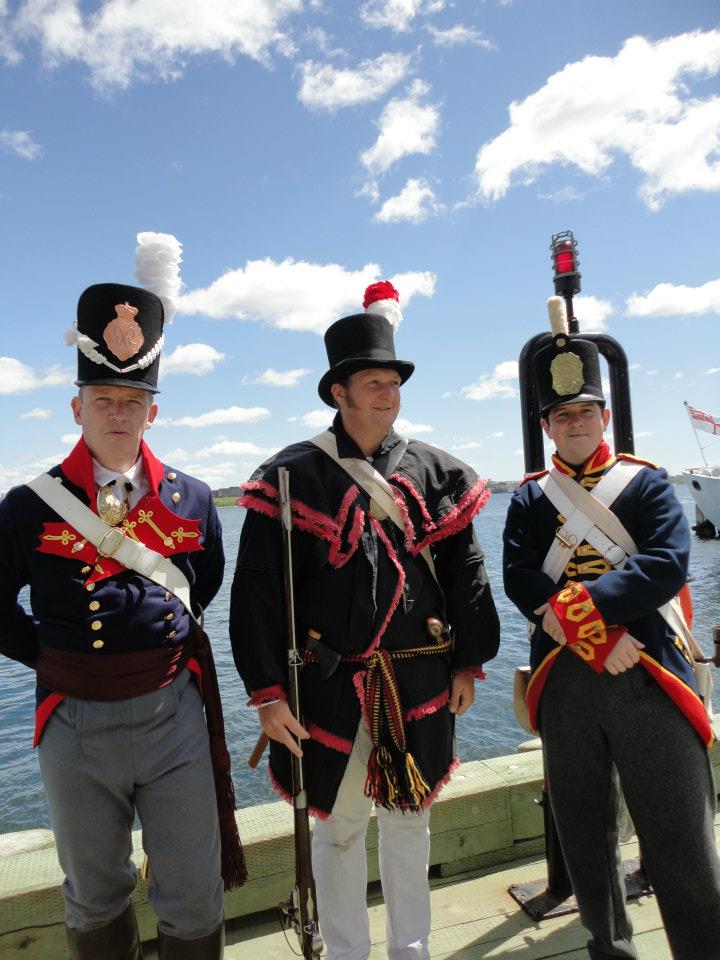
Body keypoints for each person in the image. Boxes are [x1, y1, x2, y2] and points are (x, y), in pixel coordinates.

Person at [230, 281, 500, 960]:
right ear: (338, 394)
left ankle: (412, 952)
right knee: (340, 830)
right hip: (328, 687)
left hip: (419, 684)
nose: (386, 394)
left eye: (392, 382)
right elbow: (256, 594)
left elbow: (466, 576)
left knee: (411, 826)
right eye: (371, 383)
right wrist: (266, 693)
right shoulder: (289, 477)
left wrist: (470, 659)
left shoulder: (437, 473)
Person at [0, 281, 244, 960]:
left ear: (152, 412)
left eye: (131, 401)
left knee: (194, 891)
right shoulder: (28, 504)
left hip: (173, 715)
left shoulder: (192, 497)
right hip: (74, 721)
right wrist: (51, 658)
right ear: (76, 407)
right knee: (95, 893)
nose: (117, 412)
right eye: (103, 400)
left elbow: (205, 584)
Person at [503, 327, 720, 959]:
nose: (574, 422)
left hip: (649, 668)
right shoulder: (527, 498)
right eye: (562, 413)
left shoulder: (648, 484)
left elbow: (664, 565)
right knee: (586, 834)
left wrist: (583, 616)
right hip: (568, 681)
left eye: (585, 411)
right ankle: (610, 948)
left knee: (680, 835)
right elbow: (519, 576)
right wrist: (597, 640)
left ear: (605, 417)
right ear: (548, 425)